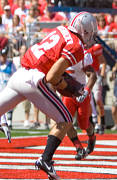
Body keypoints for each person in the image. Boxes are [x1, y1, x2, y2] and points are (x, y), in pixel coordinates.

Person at [0, 12, 97, 180]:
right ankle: (45, 160)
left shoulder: (61, 29)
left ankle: (45, 159)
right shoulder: (75, 46)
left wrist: (65, 83)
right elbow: (52, 77)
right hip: (34, 80)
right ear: (85, 31)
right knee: (66, 119)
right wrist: (71, 89)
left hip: (20, 74)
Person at [61, 51, 97, 160]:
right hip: (67, 94)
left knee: (84, 125)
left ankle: (91, 138)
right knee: (65, 122)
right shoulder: (60, 55)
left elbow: (92, 76)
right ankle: (79, 148)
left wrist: (86, 91)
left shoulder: (82, 54)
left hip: (82, 93)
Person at [88, 43, 107, 135]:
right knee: (88, 99)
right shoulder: (79, 47)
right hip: (85, 75)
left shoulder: (95, 47)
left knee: (98, 99)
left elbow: (103, 62)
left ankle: (102, 122)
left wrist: (102, 75)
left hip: (95, 75)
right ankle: (93, 122)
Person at [110, 62, 117, 131]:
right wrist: (113, 72)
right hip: (115, 91)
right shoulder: (114, 69)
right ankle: (116, 124)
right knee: (113, 110)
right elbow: (111, 79)